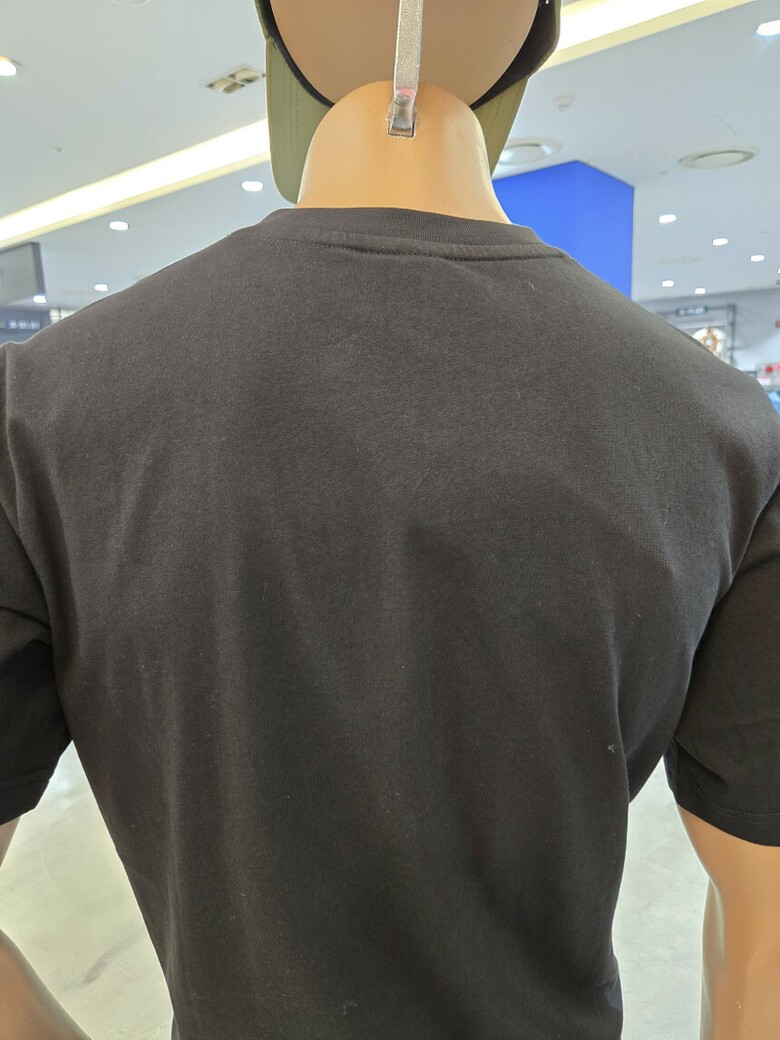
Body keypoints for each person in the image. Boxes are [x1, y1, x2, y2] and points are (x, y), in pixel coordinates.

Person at [1, 1, 779, 1038]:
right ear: (531, 48)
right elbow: (767, 914)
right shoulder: (726, 429)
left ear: (279, 43)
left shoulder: (41, 411)